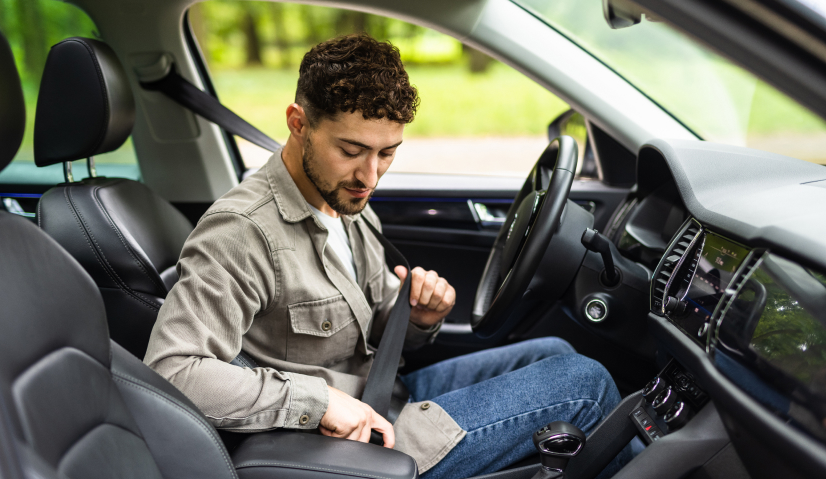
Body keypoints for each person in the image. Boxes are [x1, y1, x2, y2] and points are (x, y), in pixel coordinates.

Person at [144, 33, 624, 479]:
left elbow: (368, 328)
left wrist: (415, 317)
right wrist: (320, 401)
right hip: (344, 443)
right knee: (585, 382)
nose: (369, 176)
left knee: (555, 352)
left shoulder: (344, 201)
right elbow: (174, 371)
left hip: (383, 392)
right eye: (351, 149)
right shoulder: (241, 232)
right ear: (298, 123)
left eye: (387, 153)